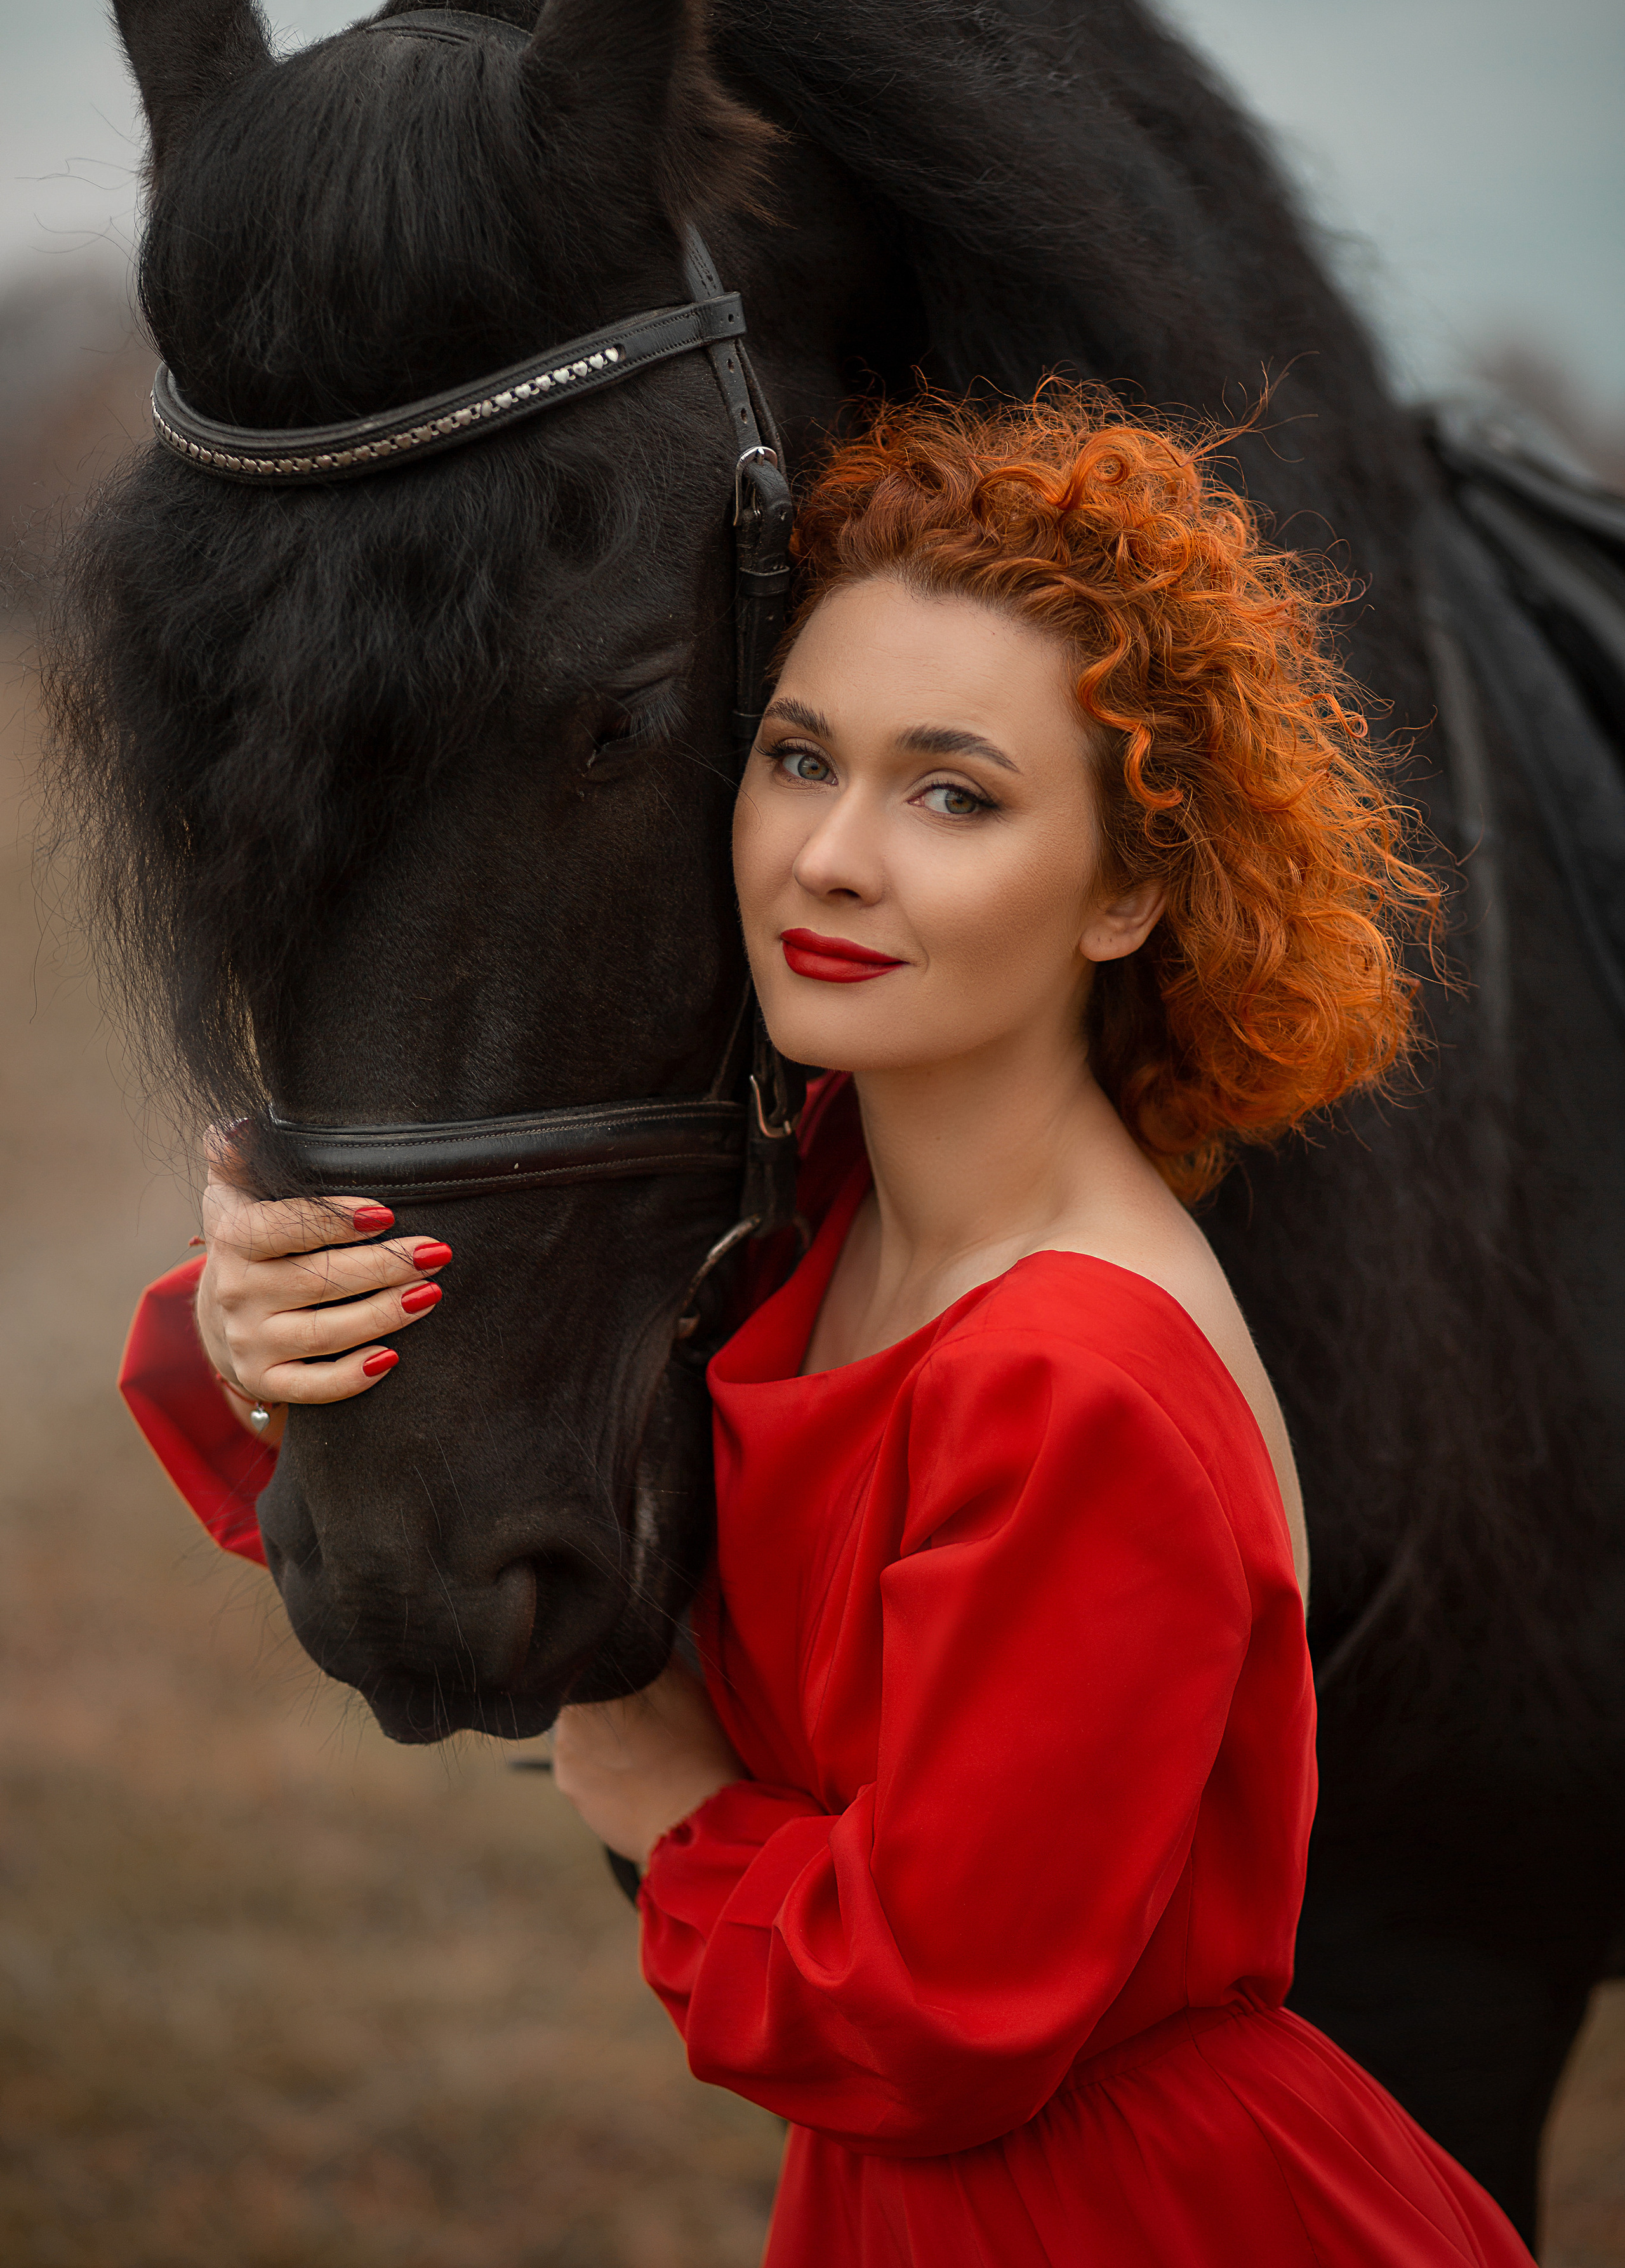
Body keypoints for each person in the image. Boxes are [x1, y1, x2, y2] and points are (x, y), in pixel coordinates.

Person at [120, 395, 1532, 2265]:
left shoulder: (1075, 1384)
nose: (831, 858)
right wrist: (265, 1330)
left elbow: (936, 2017)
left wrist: (680, 1811)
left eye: (955, 795)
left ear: (1128, 890)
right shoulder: (818, 1196)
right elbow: (505, 1440)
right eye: (799, 759)